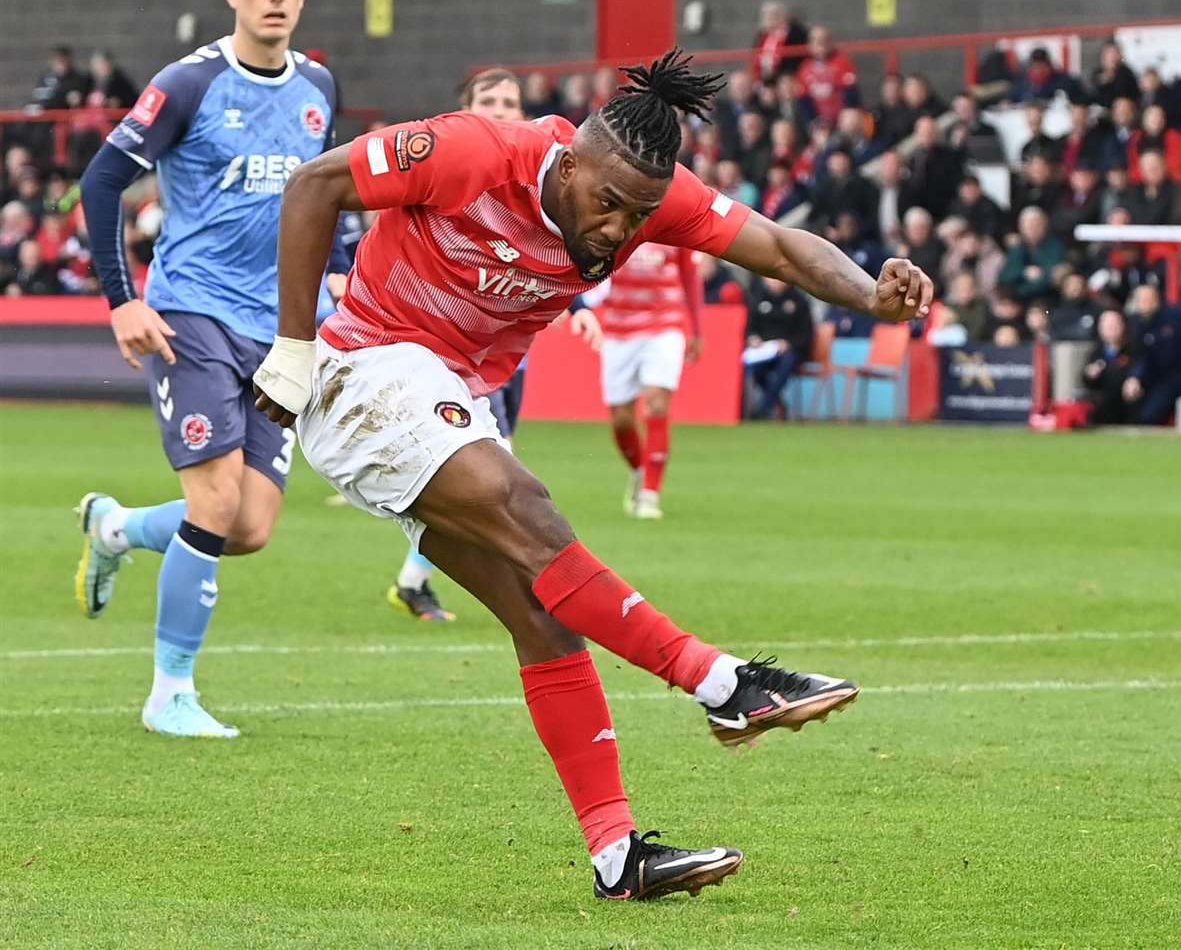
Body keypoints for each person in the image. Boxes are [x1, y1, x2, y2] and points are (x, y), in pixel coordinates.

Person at [250, 50, 932, 898]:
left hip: (452, 393)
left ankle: (618, 858)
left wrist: (873, 295)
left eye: (636, 214)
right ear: (567, 163)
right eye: (604, 203)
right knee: (524, 503)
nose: (616, 229)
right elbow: (316, 184)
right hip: (367, 369)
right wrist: (291, 346)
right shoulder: (473, 152)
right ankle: (723, 683)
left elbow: (783, 249)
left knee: (544, 618)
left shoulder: (650, 201)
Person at [72, 0, 339, 738]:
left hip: (280, 328)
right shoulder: (187, 85)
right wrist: (122, 299)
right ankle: (169, 693)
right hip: (191, 312)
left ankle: (114, 529)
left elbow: (327, 194)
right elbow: (102, 178)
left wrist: (339, 280)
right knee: (215, 498)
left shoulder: (319, 84)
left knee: (248, 526)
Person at [380, 68, 604, 623]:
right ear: (464, 109)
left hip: (502, 355)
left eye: (510, 101)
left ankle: (417, 580)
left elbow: (547, 254)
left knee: (493, 475)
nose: (502, 109)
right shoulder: (447, 168)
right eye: (489, 100)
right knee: (492, 478)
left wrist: (576, 309)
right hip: (436, 355)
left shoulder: (538, 181)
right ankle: (520, 585)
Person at [595, 242, 703, 520]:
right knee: (621, 419)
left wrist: (697, 329)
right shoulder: (616, 217)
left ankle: (649, 495)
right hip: (618, 329)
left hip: (664, 325)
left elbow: (690, 276)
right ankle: (640, 471)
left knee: (657, 404)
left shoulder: (675, 220)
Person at [1124, 283, 1181, 426]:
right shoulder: (1135, 323)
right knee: (1147, 417)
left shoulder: (1176, 317)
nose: (1143, 304)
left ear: (1157, 299)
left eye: (1147, 299)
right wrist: (1135, 377)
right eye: (1140, 300)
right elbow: (1141, 355)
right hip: (1156, 378)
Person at [794, 26, 858, 128]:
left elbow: (851, 94)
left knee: (850, 118)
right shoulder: (804, 68)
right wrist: (814, 121)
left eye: (824, 39)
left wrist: (844, 117)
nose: (820, 44)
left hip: (841, 118)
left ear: (830, 42)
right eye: (816, 40)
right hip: (819, 120)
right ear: (810, 44)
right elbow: (803, 99)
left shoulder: (842, 62)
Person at [1081, 309, 1133, 424]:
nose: (1111, 328)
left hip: (1124, 403)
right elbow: (1086, 380)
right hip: (1101, 404)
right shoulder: (1096, 351)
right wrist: (1090, 375)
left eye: (1114, 325)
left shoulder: (1132, 349)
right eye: (1107, 325)